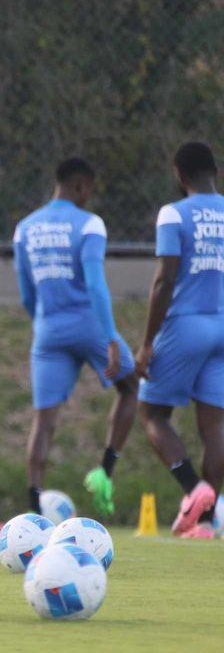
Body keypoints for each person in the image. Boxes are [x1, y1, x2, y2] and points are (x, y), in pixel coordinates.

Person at [13, 158, 138, 517]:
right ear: (81, 185)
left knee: (44, 420)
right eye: (89, 190)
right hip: (89, 324)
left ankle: (33, 510)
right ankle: (105, 470)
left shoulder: (25, 229)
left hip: (48, 329)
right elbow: (96, 284)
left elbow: (25, 293)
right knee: (130, 386)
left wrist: (45, 320)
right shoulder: (90, 225)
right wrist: (111, 337)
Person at [135, 141, 224, 539]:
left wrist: (147, 340)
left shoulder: (173, 214)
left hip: (185, 323)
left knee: (152, 414)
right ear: (215, 172)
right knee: (215, 425)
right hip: (221, 321)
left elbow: (164, 279)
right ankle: (205, 523)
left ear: (180, 176)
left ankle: (195, 491)